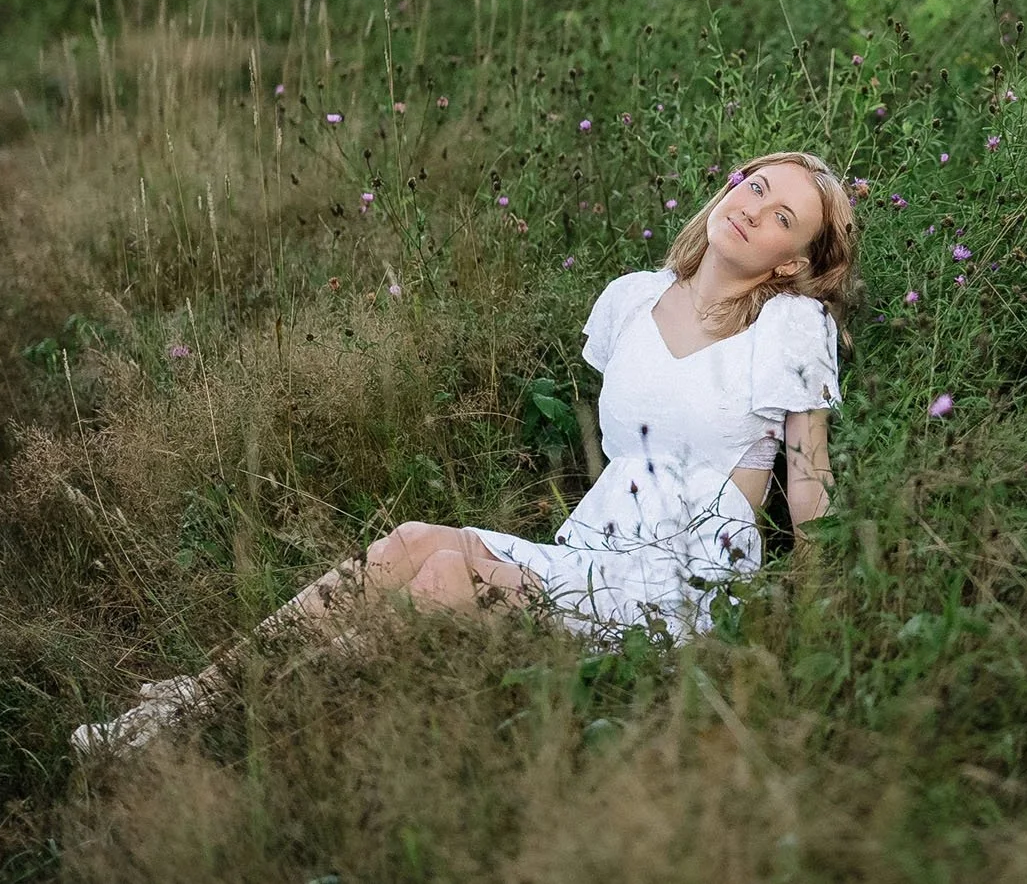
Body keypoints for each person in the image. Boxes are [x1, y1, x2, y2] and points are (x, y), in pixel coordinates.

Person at [72, 149, 859, 756]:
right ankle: (198, 696)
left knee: (450, 576)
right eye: (754, 185)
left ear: (791, 261)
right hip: (595, 550)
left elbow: (809, 483)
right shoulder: (632, 299)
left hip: (685, 578)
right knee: (416, 539)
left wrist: (816, 628)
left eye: (784, 216)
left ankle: (247, 726)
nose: (755, 209)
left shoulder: (789, 327)